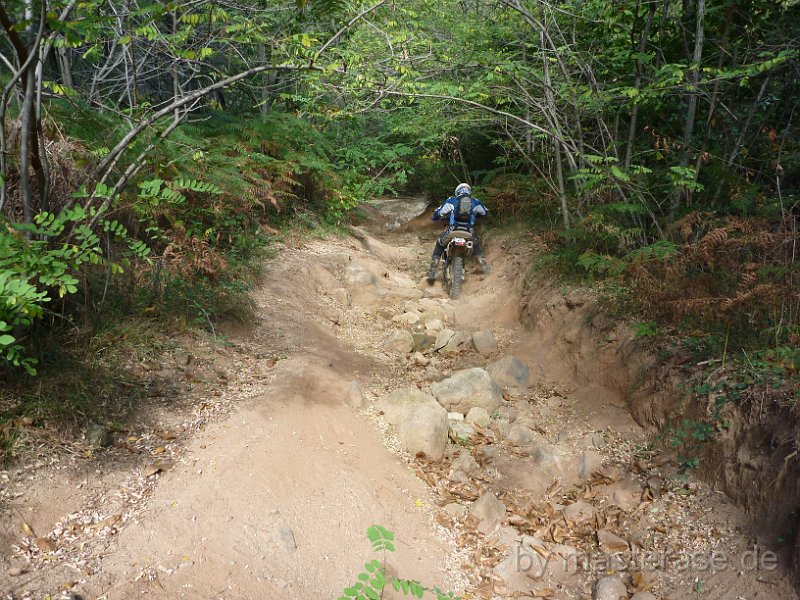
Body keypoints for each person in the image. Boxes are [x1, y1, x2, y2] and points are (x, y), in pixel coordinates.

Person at [427, 183, 490, 281]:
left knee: (440, 244)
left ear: (457, 192)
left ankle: (432, 272)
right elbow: (485, 212)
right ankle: (484, 267)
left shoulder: (451, 200)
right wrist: (475, 215)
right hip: (469, 232)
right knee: (476, 245)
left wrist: (438, 217)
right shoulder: (475, 201)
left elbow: (437, 213)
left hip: (453, 230)